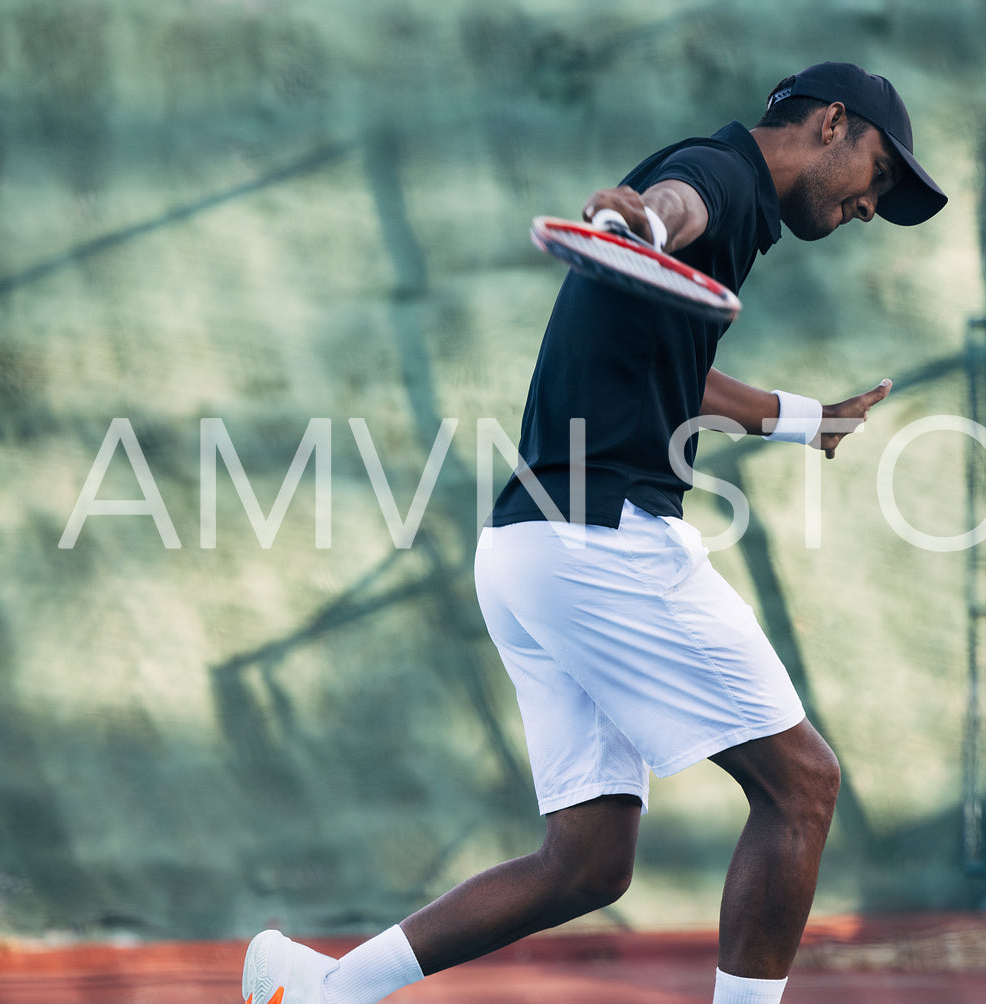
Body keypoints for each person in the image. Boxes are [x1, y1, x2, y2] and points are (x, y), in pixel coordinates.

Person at [243, 60, 946, 1004]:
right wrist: (643, 223)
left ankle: (320, 990)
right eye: (880, 173)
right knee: (801, 788)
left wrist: (800, 416)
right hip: (601, 542)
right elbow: (676, 205)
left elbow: (673, 376)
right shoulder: (725, 179)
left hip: (528, 548)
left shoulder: (730, 199)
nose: (872, 203)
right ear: (830, 124)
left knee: (587, 861)